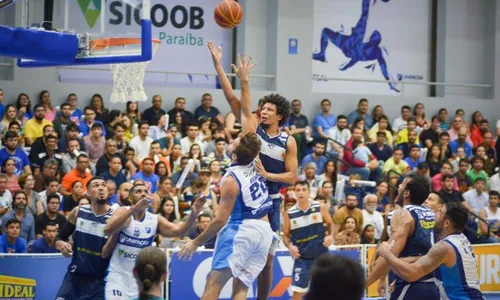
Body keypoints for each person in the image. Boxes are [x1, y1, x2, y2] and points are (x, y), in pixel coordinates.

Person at [178, 52, 274, 300]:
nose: (237, 136)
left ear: (232, 152)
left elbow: (220, 220)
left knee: (213, 283)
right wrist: (240, 78)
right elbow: (241, 101)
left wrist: (195, 242)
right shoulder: (256, 155)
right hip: (264, 231)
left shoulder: (230, 179)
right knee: (241, 287)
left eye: (237, 138)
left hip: (241, 230)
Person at [208, 41, 298, 300]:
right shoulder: (252, 127)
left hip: (272, 200)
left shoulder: (287, 141)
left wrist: (269, 176)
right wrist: (218, 65)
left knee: (267, 262)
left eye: (269, 109)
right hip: (248, 198)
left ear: (279, 116)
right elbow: (234, 99)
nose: (264, 112)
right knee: (241, 262)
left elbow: (292, 177)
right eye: (263, 108)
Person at [102, 182, 206, 300]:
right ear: (130, 198)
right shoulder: (123, 212)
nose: (143, 194)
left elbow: (180, 231)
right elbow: (107, 230)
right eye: (138, 191)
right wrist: (132, 210)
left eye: (146, 192)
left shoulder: (154, 219)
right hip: (118, 276)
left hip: (140, 279)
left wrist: (194, 215)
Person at [376, 202, 484, 300]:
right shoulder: (461, 239)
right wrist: (400, 269)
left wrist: (387, 254)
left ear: (446, 223)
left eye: (439, 212)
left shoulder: (444, 247)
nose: (434, 214)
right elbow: (426, 260)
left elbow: (410, 273)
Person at [366, 175, 440, 300]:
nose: (398, 187)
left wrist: (363, 285)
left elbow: (388, 255)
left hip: (410, 287)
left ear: (406, 193)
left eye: (401, 185)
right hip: (432, 286)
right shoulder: (431, 214)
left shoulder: (403, 214)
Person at [312, 0, 399, 92]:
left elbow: (365, 12)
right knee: (326, 32)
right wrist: (389, 83)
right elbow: (381, 65)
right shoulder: (375, 51)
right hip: (348, 45)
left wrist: (348, 65)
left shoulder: (368, 42)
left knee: (363, 17)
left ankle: (322, 54)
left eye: (373, 34)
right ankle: (321, 55)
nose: (372, 33)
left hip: (348, 45)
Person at [54, 177, 112, 300]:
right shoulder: (78, 212)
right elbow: (60, 237)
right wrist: (60, 243)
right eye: (96, 185)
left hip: (101, 280)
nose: (101, 188)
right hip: (75, 277)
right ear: (88, 193)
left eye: (103, 185)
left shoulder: (115, 217)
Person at [283, 181, 334, 299]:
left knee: (328, 290)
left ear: (309, 192)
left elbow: (330, 223)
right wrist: (290, 246)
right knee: (297, 292)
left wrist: (330, 236)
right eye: (298, 190)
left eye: (303, 190)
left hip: (322, 255)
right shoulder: (289, 213)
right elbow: (285, 235)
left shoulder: (319, 207)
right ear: (295, 193)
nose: (301, 193)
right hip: (302, 259)